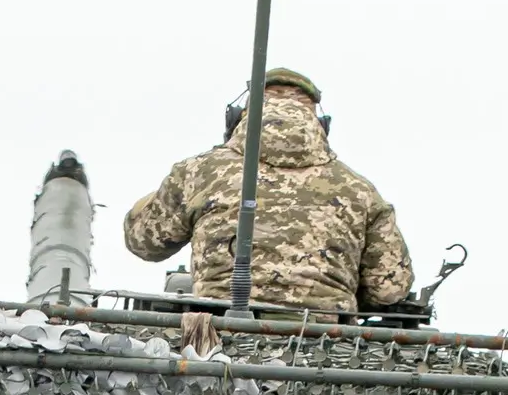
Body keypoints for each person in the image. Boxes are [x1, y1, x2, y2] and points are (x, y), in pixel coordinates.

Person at [123, 68, 413, 315]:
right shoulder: (359, 191)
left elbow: (143, 242)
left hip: (216, 343)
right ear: (322, 125)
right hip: (324, 347)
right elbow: (389, 287)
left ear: (236, 119)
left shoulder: (199, 173)